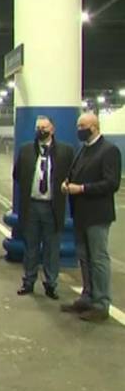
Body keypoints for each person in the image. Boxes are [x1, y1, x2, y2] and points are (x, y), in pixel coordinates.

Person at [60, 112, 121, 322]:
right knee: (84, 258)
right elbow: (75, 172)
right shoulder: (83, 150)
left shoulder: (109, 151)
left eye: (82, 126)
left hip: (97, 214)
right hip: (81, 213)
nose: (79, 129)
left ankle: (101, 303)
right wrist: (67, 183)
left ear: (94, 127)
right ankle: (87, 297)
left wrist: (83, 189)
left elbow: (111, 183)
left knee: (98, 259)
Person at [12, 115, 74, 299]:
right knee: (30, 246)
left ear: (52, 129)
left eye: (45, 127)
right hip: (31, 206)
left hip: (52, 207)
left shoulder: (65, 151)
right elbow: (17, 175)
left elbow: (71, 174)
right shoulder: (25, 151)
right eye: (38, 127)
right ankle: (28, 282)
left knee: (51, 248)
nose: (41, 130)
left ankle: (51, 284)